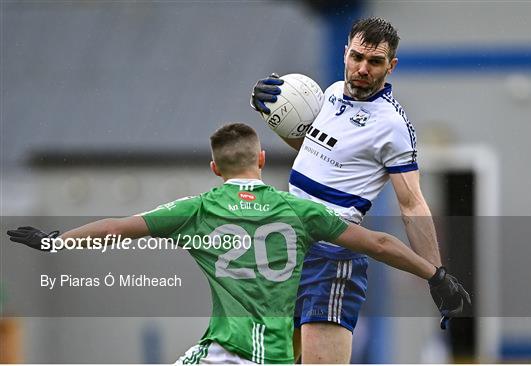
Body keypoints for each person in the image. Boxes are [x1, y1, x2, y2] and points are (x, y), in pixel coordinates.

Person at [7, 123, 468, 364]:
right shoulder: (299, 211)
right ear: (262, 160)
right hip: (273, 358)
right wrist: (435, 273)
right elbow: (379, 242)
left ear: (214, 168)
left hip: (225, 354)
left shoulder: (198, 210)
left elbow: (115, 228)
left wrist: (57, 243)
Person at [251, 17, 451, 363]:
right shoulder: (327, 94)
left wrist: (438, 276)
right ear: (345, 53)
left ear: (391, 66)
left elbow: (411, 203)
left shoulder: (392, 126)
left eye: (374, 62)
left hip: (332, 257)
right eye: (357, 57)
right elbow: (316, 152)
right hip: (289, 248)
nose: (362, 68)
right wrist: (272, 112)